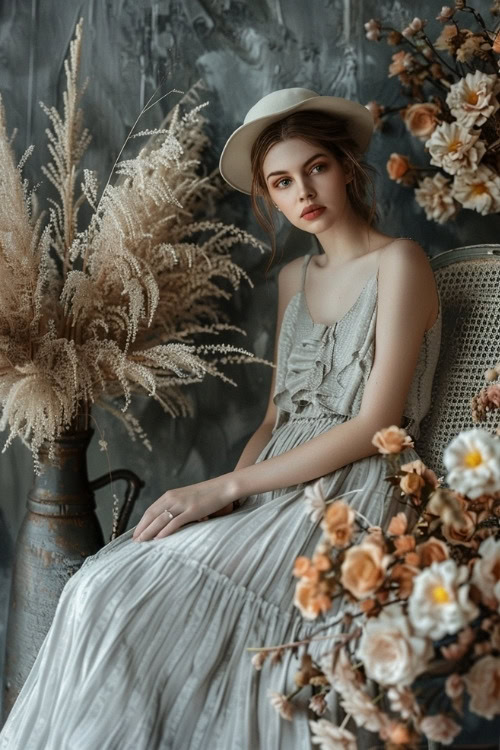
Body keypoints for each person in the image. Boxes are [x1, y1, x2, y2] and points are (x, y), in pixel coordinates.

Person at [0, 87, 441, 749]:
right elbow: (272, 420)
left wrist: (225, 487)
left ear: (346, 165)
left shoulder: (400, 262)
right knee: (97, 586)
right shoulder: (294, 278)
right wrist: (227, 505)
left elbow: (376, 420)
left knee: (120, 592)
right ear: (269, 195)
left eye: (315, 167)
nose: (303, 192)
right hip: (271, 485)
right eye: (282, 181)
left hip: (352, 496)